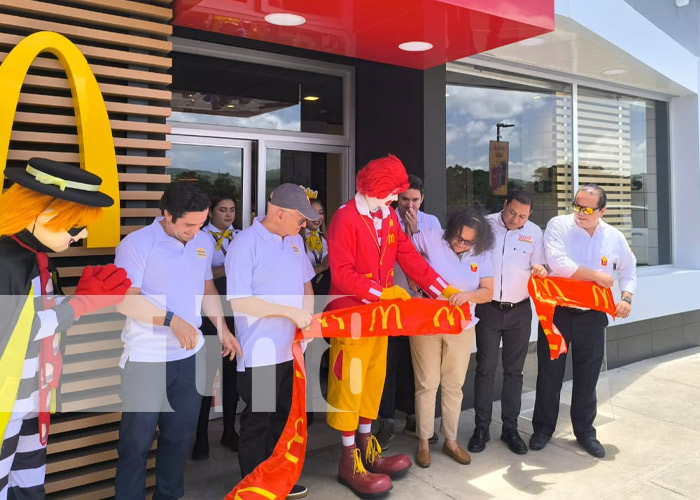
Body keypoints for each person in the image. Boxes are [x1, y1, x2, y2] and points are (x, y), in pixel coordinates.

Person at [325, 155, 457, 499]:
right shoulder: (344, 218)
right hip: (351, 317)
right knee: (349, 388)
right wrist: (380, 294)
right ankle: (348, 459)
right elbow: (340, 273)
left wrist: (443, 288)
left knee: (372, 382)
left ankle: (368, 450)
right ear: (376, 189)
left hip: (380, 318)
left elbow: (410, 256)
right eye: (393, 194)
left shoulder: (386, 216)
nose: (396, 201)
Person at [0, 158, 131, 500]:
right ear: (41, 214)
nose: (83, 234)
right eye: (75, 225)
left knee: (28, 486)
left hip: (31, 399)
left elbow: (32, 318)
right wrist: (80, 305)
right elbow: (13, 329)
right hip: (6, 402)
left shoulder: (37, 259)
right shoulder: (4, 261)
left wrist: (73, 303)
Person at [114, 182, 240, 500]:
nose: (196, 230)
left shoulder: (202, 241)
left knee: (177, 439)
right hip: (146, 357)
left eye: (201, 223)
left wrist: (222, 328)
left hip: (190, 357)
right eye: (189, 224)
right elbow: (125, 301)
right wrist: (171, 319)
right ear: (167, 215)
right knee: (136, 444)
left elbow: (207, 288)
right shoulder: (136, 244)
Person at [227, 183, 320, 500]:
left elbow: (307, 285)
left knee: (285, 420)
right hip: (261, 354)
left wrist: (304, 322)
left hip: (292, 350)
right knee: (259, 423)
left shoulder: (295, 241)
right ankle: (254, 487)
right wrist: (289, 313)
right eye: (300, 217)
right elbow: (239, 302)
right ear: (279, 213)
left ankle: (278, 480)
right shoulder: (245, 244)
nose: (304, 224)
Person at [529, 184, 636, 458]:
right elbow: (558, 262)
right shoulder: (559, 225)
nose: (580, 212)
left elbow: (628, 267)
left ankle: (585, 432)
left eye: (588, 208)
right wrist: (597, 277)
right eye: (577, 205)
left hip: (593, 316)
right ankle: (542, 429)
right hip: (559, 313)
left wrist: (626, 297)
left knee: (588, 377)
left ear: (603, 210)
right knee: (550, 374)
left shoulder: (613, 236)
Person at [409, 208, 494, 468]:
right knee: (426, 383)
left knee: (453, 385)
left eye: (468, 241)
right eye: (457, 237)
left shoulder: (482, 253)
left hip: (462, 324)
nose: (460, 244)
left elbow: (488, 292)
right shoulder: (432, 237)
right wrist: (413, 278)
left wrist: (467, 296)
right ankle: (424, 441)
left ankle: (451, 441)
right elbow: (403, 255)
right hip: (426, 319)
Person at [468, 190, 547, 455]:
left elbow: (541, 265)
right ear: (505, 205)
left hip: (520, 311)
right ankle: (481, 428)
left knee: (514, 372)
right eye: (512, 212)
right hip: (488, 309)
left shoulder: (535, 233)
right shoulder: (485, 224)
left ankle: (510, 428)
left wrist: (541, 269)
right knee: (485, 369)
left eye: (522, 215)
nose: (515, 219)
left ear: (530, 215)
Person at [374, 174, 441, 449]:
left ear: (422, 199)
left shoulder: (432, 223)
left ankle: (417, 417)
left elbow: (435, 261)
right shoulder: (384, 220)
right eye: (404, 200)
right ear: (395, 199)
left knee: (419, 366)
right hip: (391, 303)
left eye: (414, 200)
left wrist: (415, 234)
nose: (409, 206)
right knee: (388, 363)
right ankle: (386, 420)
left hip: (419, 305)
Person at [192, 192, 241, 460]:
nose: (229, 215)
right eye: (223, 210)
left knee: (232, 375)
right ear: (211, 212)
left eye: (232, 210)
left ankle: (229, 429)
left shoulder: (241, 237)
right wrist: (231, 268)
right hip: (208, 314)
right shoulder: (200, 237)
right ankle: (200, 434)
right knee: (207, 375)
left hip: (235, 312)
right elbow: (203, 276)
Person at [302, 196, 331, 297]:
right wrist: (322, 266)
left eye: (320, 212)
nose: (317, 217)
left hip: (327, 293)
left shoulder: (328, 236)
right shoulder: (296, 239)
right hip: (305, 294)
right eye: (313, 212)